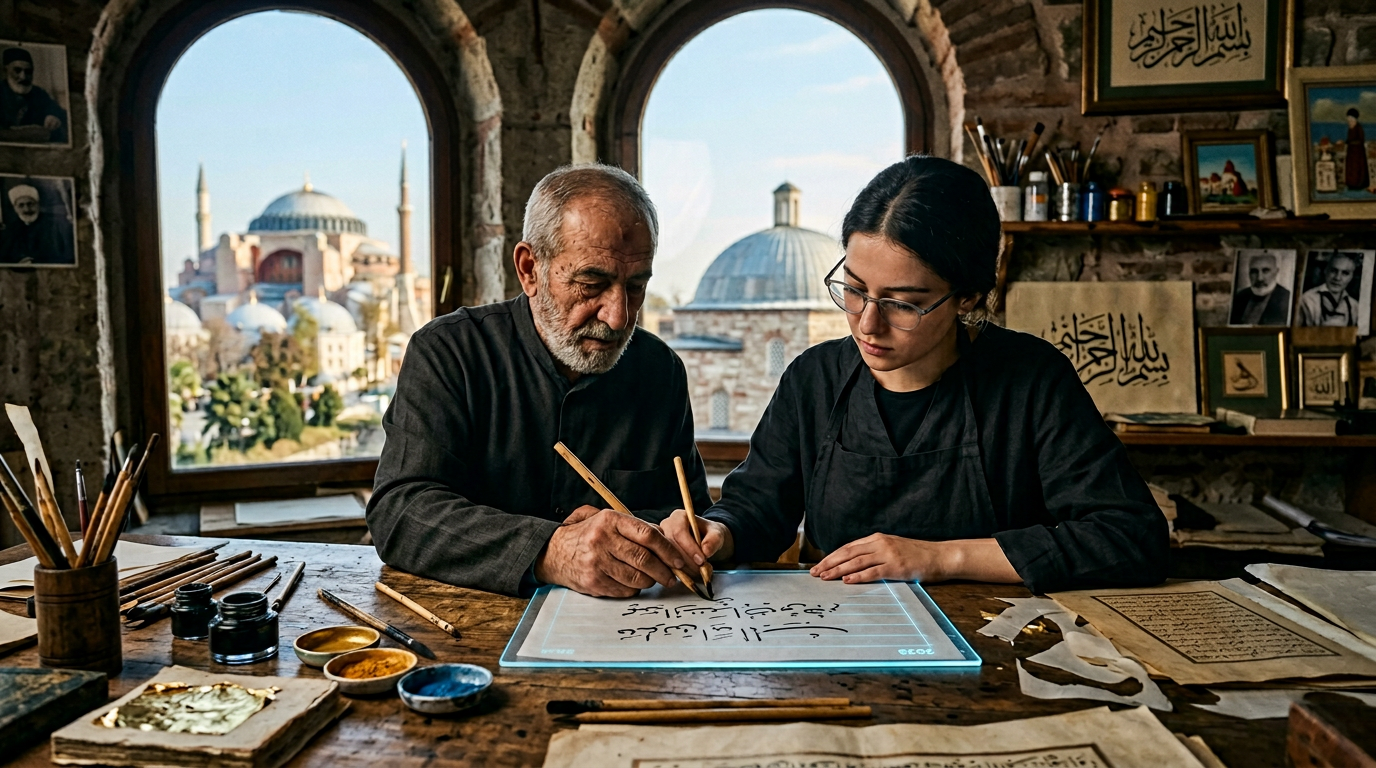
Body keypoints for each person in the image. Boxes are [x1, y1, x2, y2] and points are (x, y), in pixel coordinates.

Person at [661, 156, 1168, 595]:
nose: (867, 323)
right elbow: (758, 509)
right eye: (855, 289)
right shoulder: (812, 379)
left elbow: (1129, 536)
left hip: (999, 644)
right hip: (838, 631)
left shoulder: (1030, 381)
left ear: (966, 297)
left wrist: (941, 558)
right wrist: (717, 530)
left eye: (903, 303)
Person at [367, 164, 710, 598]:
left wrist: (687, 531)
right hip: (469, 629)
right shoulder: (449, 353)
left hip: (626, 632)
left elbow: (686, 511)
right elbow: (400, 512)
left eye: (636, 286)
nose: (619, 315)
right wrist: (551, 551)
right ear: (529, 269)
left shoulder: (660, 371)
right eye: (592, 283)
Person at [0, 47, 68, 145]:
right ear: (5, 70)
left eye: (28, 72)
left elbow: (57, 111)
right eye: (17, 70)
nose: (23, 77)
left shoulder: (38, 93)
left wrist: (53, 116)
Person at [0, 183, 74, 265]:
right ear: (15, 209)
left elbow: (69, 258)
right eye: (21, 205)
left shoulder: (56, 225)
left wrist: (36, 263)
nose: (27, 209)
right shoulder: (10, 230)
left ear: (38, 205)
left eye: (30, 204)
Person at [1298, 252, 1361, 327]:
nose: (1337, 278)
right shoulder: (1307, 299)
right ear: (1325, 271)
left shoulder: (1354, 306)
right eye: (1333, 271)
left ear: (1351, 277)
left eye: (1345, 273)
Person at [1229, 252, 1291, 326]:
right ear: (1249, 273)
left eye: (1265, 271)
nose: (1259, 278)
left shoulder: (1287, 299)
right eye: (1254, 272)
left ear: (1276, 272)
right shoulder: (1239, 297)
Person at [1346, 108, 1369, 192]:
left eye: (1350, 119)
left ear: (1354, 119)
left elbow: (1361, 140)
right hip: (1351, 152)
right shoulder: (1350, 128)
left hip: (1358, 153)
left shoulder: (1359, 128)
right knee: (1351, 169)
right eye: (1348, 119)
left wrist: (1351, 143)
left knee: (1357, 169)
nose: (1349, 121)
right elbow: (1349, 139)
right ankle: (1351, 184)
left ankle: (1358, 185)